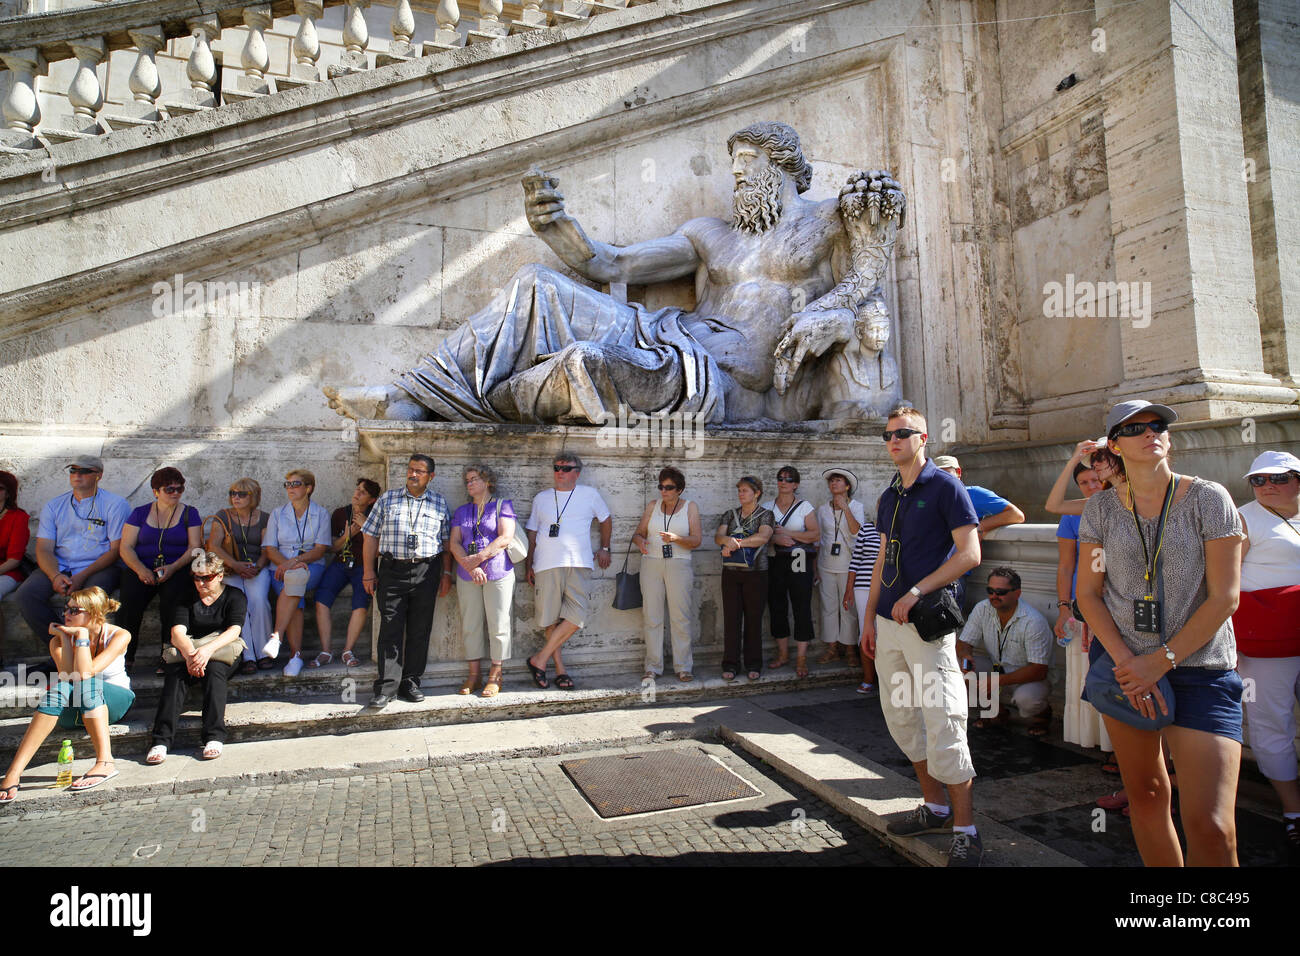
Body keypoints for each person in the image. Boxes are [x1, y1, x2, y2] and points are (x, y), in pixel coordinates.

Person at [324, 123, 907, 427]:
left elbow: (866, 281)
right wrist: (556, 228)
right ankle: (410, 398)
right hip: (667, 332)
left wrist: (832, 313)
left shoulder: (827, 221)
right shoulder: (710, 234)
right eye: (732, 163)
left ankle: (473, 401)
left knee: (587, 365)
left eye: (747, 162)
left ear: (782, 165)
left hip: (724, 379)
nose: (736, 174)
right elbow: (612, 264)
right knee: (536, 283)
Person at [1076, 400, 1244, 867]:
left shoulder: (1209, 499)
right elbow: (1088, 594)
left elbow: (1224, 598)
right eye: (1135, 428)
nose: (1151, 433)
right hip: (1126, 670)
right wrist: (1131, 665)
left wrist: (1159, 661)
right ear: (1114, 445)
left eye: (1158, 425)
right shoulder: (1102, 510)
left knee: (1211, 823)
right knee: (1147, 796)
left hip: (1200, 670)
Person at [861, 405, 982, 866]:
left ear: (924, 437)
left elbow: (970, 553)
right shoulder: (890, 495)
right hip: (890, 626)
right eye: (888, 435)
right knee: (902, 718)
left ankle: (966, 830)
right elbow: (880, 560)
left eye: (902, 433)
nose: (893, 441)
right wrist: (869, 618)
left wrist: (915, 590)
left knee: (944, 717)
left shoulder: (946, 486)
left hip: (927, 624)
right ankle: (934, 807)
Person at [0, 586, 134, 801]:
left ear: (95, 612)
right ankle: (14, 772)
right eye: (66, 609)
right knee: (59, 688)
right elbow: (69, 676)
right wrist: (67, 640)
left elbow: (85, 673)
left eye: (74, 610)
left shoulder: (119, 635)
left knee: (87, 683)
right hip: (78, 709)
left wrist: (80, 636)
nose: (65, 614)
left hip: (115, 701)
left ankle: (105, 762)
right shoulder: (58, 641)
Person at [1231, 450, 1300, 864]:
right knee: (1270, 722)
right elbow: (1221, 582)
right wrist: (1228, 644)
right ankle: (1294, 810)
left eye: (1278, 478)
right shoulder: (1242, 518)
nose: (1267, 486)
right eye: (1258, 480)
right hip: (1264, 643)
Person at [361, 455, 453, 710]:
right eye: (411, 470)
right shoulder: (388, 499)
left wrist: (446, 574)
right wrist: (369, 572)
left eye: (420, 471)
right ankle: (386, 687)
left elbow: (445, 544)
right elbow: (370, 537)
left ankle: (410, 681)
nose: (413, 475)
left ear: (430, 477)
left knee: (419, 629)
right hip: (392, 570)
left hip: (427, 570)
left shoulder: (439, 503)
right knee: (390, 628)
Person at [15, 455, 130, 646]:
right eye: (73, 470)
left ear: (98, 475)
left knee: (88, 600)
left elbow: (116, 550)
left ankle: (87, 652)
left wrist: (81, 576)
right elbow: (43, 549)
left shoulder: (116, 504)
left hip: (99, 566)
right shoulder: (54, 505)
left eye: (85, 471)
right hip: (61, 564)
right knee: (26, 595)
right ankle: (62, 648)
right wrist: (54, 576)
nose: (77, 475)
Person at [146, 551, 247, 764]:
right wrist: (193, 655)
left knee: (215, 671)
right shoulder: (185, 596)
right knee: (175, 676)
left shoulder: (234, 596)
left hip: (221, 650)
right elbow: (177, 633)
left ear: (219, 576)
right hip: (190, 651)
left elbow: (233, 630)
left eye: (207, 578)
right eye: (197, 578)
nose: (201, 583)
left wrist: (206, 651)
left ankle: (214, 736)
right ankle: (161, 740)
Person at [524, 452, 612, 691]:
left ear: (577, 472)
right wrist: (528, 563)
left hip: (579, 562)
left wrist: (605, 547)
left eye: (565, 468)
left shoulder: (589, 494)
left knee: (576, 617)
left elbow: (605, 519)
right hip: (546, 563)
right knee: (551, 619)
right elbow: (532, 532)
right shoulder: (542, 498)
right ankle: (560, 670)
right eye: (556, 468)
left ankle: (538, 659)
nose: (559, 472)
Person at [1050, 460, 1112, 752]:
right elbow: (1065, 566)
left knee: (1113, 673)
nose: (1092, 486)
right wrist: (1064, 607)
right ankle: (1095, 741)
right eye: (1084, 482)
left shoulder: (1125, 506)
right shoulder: (1073, 515)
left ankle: (1119, 749)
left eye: (1096, 479)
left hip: (1118, 605)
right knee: (1087, 673)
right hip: (1082, 606)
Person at [117, 467, 202, 673]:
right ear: (156, 491)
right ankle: (124, 655)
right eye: (169, 489)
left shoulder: (190, 513)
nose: (175, 493)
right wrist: (140, 570)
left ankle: (168, 653)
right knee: (128, 601)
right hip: (142, 567)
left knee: (174, 600)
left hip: (177, 566)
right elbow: (126, 547)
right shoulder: (139, 513)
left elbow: (195, 547)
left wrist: (173, 568)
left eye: (179, 489)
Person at [956, 567, 1053, 734]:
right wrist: (966, 658)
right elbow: (964, 643)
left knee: (1027, 700)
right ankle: (997, 712)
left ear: (1017, 593)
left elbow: (1039, 670)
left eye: (1000, 592)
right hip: (996, 667)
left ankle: (1043, 714)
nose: (994, 596)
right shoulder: (982, 608)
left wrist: (996, 681)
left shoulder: (1033, 621)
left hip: (1028, 676)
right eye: (990, 590)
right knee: (957, 668)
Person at [448, 465, 516, 697]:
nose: (469, 484)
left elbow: (506, 537)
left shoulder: (502, 505)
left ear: (488, 481)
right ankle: (474, 675)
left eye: (474, 479)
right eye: (467, 480)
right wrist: (470, 564)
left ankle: (496, 675)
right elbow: (454, 542)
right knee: (471, 624)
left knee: (499, 623)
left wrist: (480, 557)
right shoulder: (462, 511)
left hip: (498, 572)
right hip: (468, 573)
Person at [633, 466, 702, 682]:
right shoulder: (653, 505)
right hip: (651, 562)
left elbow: (697, 540)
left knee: (680, 617)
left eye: (669, 487)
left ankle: (683, 666)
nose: (664, 491)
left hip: (679, 564)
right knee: (651, 616)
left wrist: (676, 539)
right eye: (661, 486)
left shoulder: (690, 507)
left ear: (679, 489)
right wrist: (641, 542)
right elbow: (638, 533)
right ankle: (653, 666)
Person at [263, 469, 333, 677]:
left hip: (311, 566)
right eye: (288, 485)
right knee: (294, 591)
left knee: (295, 581)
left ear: (308, 488)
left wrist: (295, 562)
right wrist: (287, 565)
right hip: (280, 568)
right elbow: (270, 549)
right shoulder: (277, 513)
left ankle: (277, 637)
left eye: (295, 484)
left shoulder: (321, 514)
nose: (290, 489)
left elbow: (320, 549)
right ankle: (295, 656)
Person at [206, 477, 273, 673]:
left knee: (259, 601)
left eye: (242, 494)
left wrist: (257, 567)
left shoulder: (265, 518)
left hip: (255, 568)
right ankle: (247, 655)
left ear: (254, 497)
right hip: (230, 567)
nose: (236, 497)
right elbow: (214, 546)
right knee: (238, 604)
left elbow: (268, 548)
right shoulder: (223, 516)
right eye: (233, 493)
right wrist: (235, 565)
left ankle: (264, 653)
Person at [313, 478, 381, 669]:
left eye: (363, 492)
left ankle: (347, 650)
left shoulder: (376, 516)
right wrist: (347, 535)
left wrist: (367, 526)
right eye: (357, 489)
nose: (356, 493)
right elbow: (332, 548)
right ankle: (326, 651)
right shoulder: (340, 513)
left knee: (360, 603)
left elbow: (378, 551)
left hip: (364, 566)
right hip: (341, 563)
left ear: (372, 500)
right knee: (321, 599)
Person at [714, 477, 774, 682]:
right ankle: (730, 663)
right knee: (731, 619)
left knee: (754, 620)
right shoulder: (729, 514)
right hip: (731, 572)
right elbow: (719, 536)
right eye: (739, 490)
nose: (741, 494)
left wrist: (737, 543)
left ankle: (754, 663)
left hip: (757, 573)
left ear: (757, 493)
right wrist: (727, 541)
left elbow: (763, 537)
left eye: (745, 490)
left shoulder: (766, 515)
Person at [763, 466, 819, 678]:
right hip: (775, 558)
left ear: (795, 484)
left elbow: (814, 534)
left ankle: (801, 658)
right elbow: (761, 533)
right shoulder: (768, 507)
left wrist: (788, 533)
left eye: (788, 479)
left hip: (799, 559)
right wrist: (775, 538)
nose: (783, 482)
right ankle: (783, 653)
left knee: (801, 605)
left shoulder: (805, 507)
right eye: (780, 478)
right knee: (777, 605)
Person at [815, 467, 864, 666]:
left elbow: (857, 533)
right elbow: (819, 539)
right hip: (826, 563)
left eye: (838, 480)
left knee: (848, 608)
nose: (834, 484)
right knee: (828, 607)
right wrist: (814, 567)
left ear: (847, 486)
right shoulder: (822, 509)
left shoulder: (857, 506)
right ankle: (832, 647)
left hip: (848, 565)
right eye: (831, 481)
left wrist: (845, 508)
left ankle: (850, 648)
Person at [845, 509, 881, 694]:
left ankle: (884, 680)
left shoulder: (898, 530)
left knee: (885, 633)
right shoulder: (867, 529)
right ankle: (868, 679)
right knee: (866, 629)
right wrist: (848, 589)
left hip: (888, 587)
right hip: (863, 586)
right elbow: (855, 560)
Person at [0, 471, 31, 668]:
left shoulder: (18, 518)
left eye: (0, 488)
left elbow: (14, 559)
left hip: (7, 571)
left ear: (8, 493)